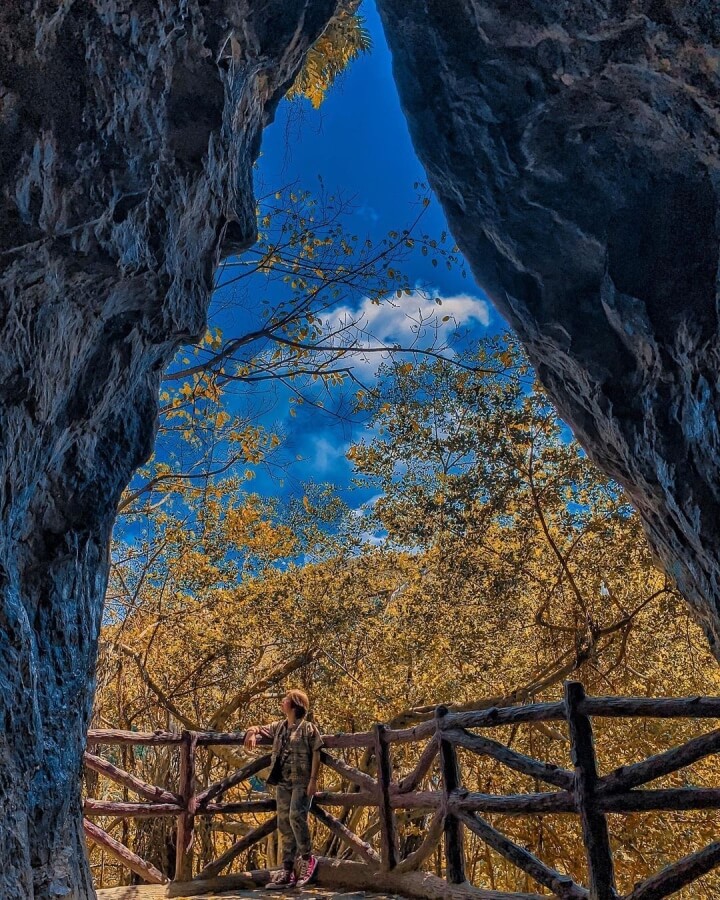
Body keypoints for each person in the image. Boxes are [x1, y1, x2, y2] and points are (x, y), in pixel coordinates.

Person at [244, 689, 323, 889]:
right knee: (284, 821)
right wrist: (252, 733)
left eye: (286, 699)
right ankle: (288, 869)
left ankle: (307, 858)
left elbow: (316, 752)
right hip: (283, 781)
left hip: (302, 780)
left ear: (295, 705)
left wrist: (313, 780)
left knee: (296, 816)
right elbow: (257, 727)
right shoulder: (279, 727)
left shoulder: (308, 728)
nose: (282, 701)